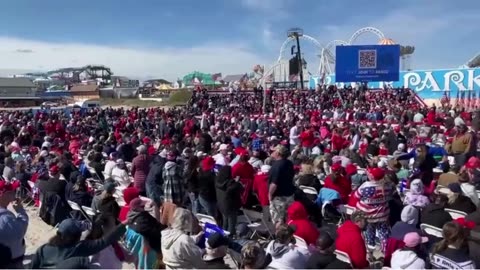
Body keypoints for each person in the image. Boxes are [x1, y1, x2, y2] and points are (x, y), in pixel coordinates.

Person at [31, 218, 126, 268]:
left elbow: (33, 267)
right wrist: (125, 223)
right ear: (76, 236)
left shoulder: (43, 248)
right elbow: (104, 241)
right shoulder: (79, 248)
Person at [355, 167, 394, 251]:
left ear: (372, 176)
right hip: (382, 215)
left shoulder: (365, 186)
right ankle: (386, 250)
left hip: (368, 215)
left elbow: (356, 195)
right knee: (384, 233)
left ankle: (371, 248)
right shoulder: (387, 186)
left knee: (370, 232)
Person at [0, 181, 28, 268]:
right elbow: (20, 231)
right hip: (10, 262)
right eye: (12, 191)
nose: (15, 193)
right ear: (4, 195)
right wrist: (20, 210)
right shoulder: (5, 219)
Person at [268, 145, 295, 224]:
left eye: (274, 151)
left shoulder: (276, 166)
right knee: (288, 219)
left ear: (278, 153)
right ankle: (287, 235)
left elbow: (274, 183)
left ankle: (280, 236)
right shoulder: (289, 163)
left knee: (278, 220)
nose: (272, 152)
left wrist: (269, 194)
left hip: (279, 197)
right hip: (289, 194)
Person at [215, 165, 243, 235]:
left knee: (225, 222)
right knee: (231, 224)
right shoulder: (231, 184)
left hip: (221, 204)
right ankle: (230, 238)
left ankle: (223, 236)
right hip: (231, 206)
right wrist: (236, 182)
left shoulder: (217, 181)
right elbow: (240, 188)